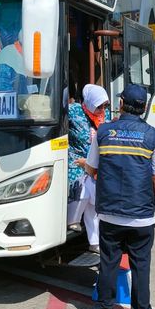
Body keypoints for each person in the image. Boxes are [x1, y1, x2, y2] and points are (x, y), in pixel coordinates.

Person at [87, 84, 155, 309]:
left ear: (121, 103)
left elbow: (92, 168)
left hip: (109, 212)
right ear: (143, 107)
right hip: (141, 215)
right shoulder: (154, 136)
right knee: (140, 264)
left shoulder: (103, 132)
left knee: (108, 262)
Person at [66, 84, 110, 252]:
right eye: (99, 105)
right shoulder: (73, 111)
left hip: (93, 163)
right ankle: (73, 219)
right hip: (75, 161)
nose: (102, 109)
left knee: (94, 203)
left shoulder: (102, 117)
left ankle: (95, 242)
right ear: (90, 102)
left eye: (105, 106)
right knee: (84, 189)